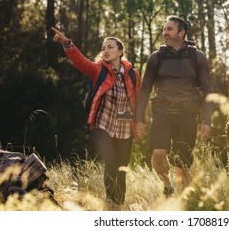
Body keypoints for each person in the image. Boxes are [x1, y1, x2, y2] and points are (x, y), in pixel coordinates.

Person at [51, 27, 141, 207]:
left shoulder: (133, 74)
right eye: (103, 48)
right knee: (111, 159)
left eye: (110, 47)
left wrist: (140, 122)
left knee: (122, 168)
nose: (105, 50)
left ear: (120, 51)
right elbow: (82, 62)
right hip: (102, 123)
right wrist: (68, 43)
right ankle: (111, 201)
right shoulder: (99, 70)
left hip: (124, 127)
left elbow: (137, 100)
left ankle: (118, 205)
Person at [135, 15, 214, 196]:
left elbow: (208, 90)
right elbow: (145, 89)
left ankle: (182, 201)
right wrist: (139, 119)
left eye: (169, 29)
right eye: (164, 29)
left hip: (187, 114)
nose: (165, 33)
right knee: (158, 153)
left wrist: (206, 120)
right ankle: (167, 184)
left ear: (182, 33)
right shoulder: (156, 58)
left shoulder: (197, 57)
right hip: (163, 112)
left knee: (182, 163)